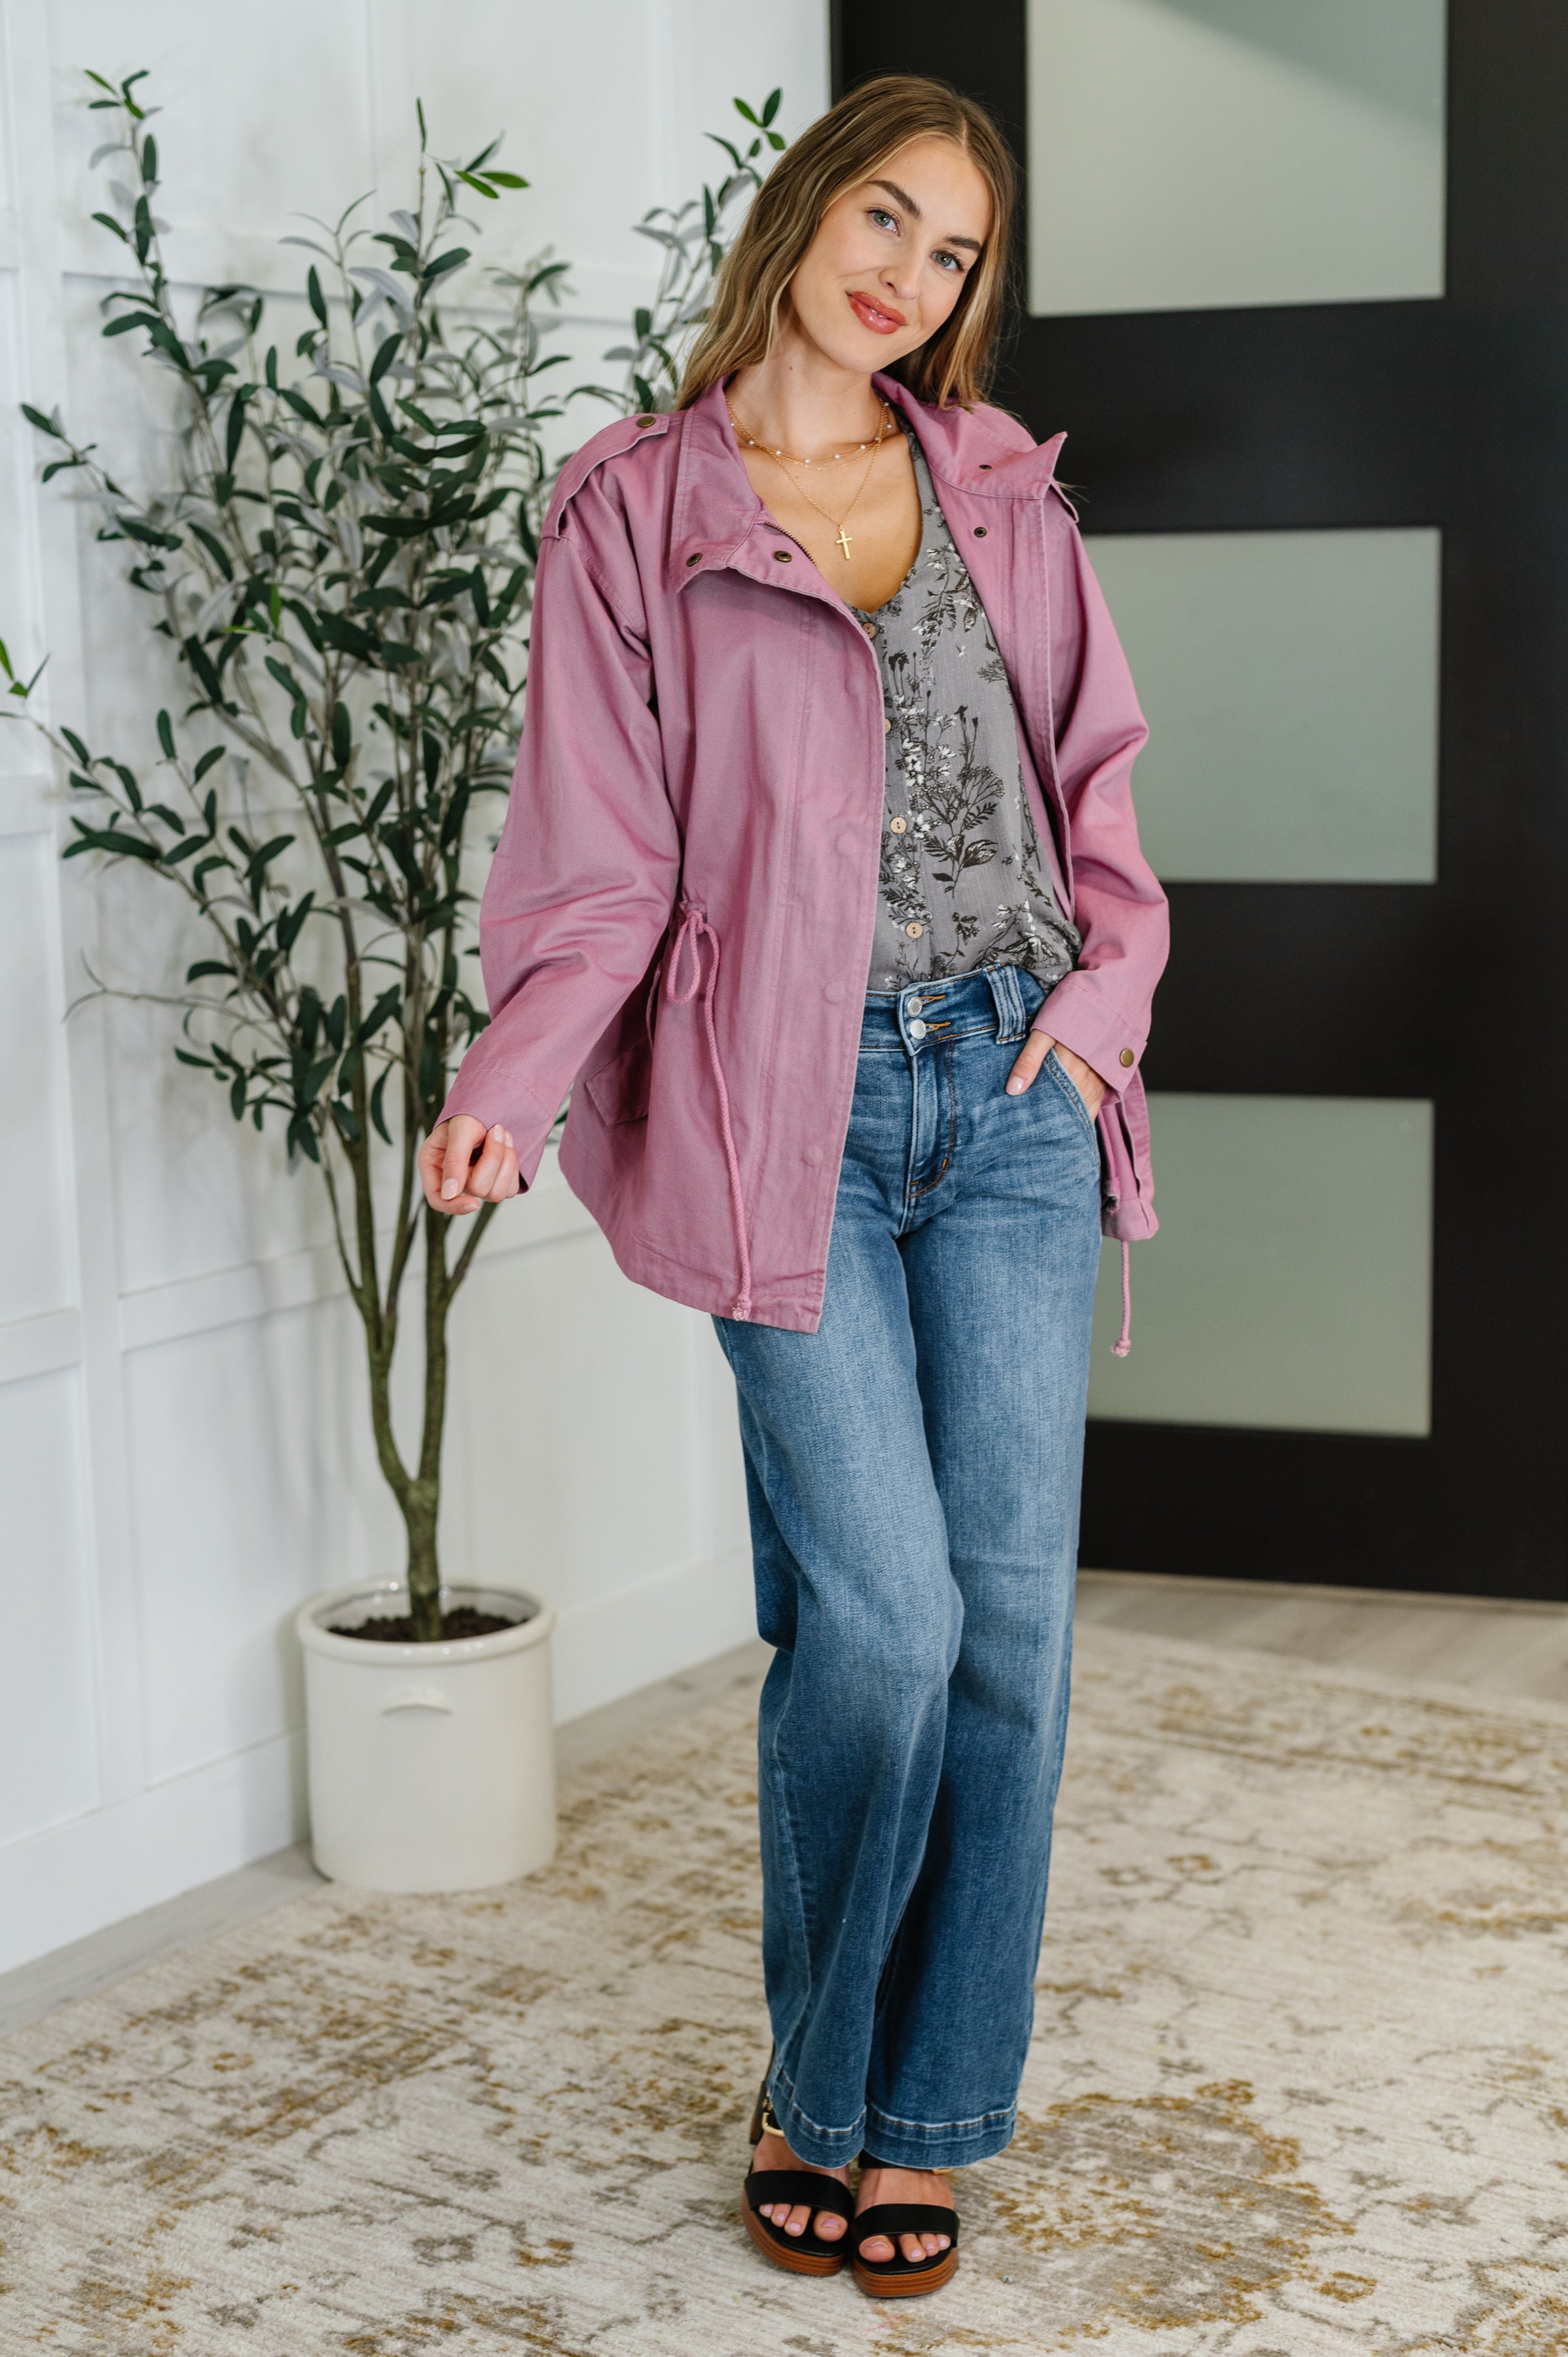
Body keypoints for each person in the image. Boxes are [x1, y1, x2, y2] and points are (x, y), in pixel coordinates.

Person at [419, 73, 1166, 2302]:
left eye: (950, 255)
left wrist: (1099, 1010)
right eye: (883, 217)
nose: (908, 276)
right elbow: (599, 852)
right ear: (799, 211)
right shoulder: (632, 513)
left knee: (1011, 1629)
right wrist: (518, 1075)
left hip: (1013, 1093)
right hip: (794, 1113)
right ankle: (812, 2090)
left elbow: (1097, 776)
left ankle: (919, 2119)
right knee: (887, 1616)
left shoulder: (1002, 490)